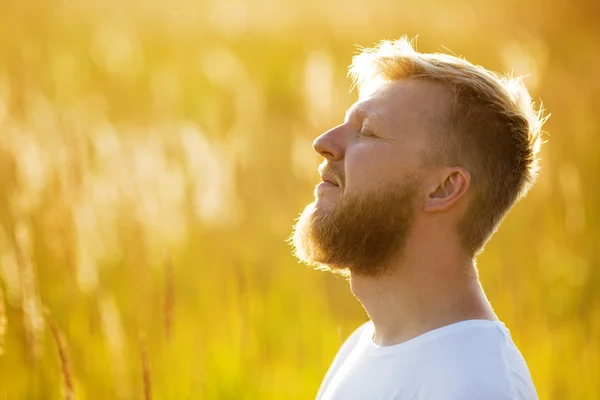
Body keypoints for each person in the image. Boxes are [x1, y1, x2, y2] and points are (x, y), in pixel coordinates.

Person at [290, 37, 547, 400]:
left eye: (368, 132)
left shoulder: (475, 386)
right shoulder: (363, 345)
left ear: (444, 188)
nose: (324, 142)